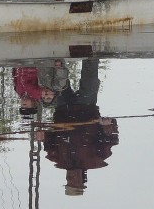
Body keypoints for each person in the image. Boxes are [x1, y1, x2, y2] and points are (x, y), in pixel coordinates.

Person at [37, 58, 119, 196]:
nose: (71, 178)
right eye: (75, 181)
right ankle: (90, 54)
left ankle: (55, 57)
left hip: (63, 108)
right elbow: (111, 139)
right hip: (87, 107)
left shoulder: (56, 158)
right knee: (90, 81)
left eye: (69, 181)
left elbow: (48, 140)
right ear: (83, 180)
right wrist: (107, 126)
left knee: (57, 80)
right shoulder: (97, 160)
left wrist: (42, 136)